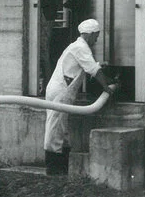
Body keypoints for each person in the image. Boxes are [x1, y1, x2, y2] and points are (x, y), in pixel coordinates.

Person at [43, 18, 117, 175]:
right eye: (96, 36)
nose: (96, 40)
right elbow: (93, 70)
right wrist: (106, 87)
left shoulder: (78, 47)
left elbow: (91, 67)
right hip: (61, 91)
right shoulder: (80, 47)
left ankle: (61, 168)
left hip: (63, 91)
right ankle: (53, 169)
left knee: (61, 128)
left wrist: (102, 72)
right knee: (55, 127)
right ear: (90, 34)